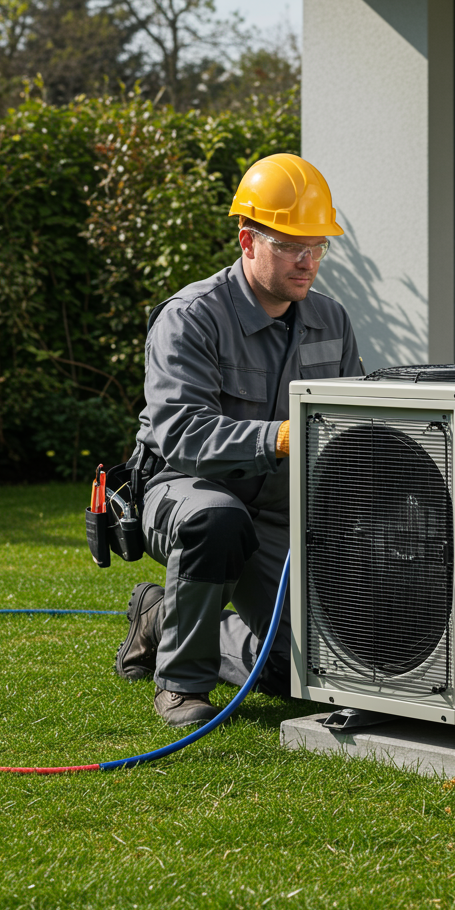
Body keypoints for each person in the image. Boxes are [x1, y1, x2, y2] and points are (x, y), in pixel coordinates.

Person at [113, 154, 362, 727]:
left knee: (306, 669)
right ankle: (182, 683)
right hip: (184, 489)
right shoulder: (191, 317)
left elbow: (349, 422)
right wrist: (279, 437)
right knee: (218, 520)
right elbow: (182, 432)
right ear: (248, 241)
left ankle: (160, 615)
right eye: (290, 245)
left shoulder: (332, 320)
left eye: (318, 246)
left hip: (277, 511)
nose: (307, 261)